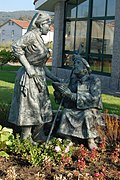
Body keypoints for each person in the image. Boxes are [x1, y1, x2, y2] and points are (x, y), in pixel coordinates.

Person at [8, 11, 61, 144]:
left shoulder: (39, 39)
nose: (49, 28)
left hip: (39, 76)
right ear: (41, 24)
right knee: (30, 105)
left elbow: (42, 66)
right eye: (48, 25)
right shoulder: (31, 35)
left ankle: (38, 134)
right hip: (29, 77)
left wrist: (55, 78)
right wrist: (28, 67)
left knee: (42, 104)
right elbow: (16, 47)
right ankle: (25, 137)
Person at [53, 54, 104, 150]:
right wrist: (60, 94)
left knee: (86, 114)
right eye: (74, 63)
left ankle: (90, 140)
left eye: (78, 63)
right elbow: (66, 100)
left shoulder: (94, 80)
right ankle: (68, 138)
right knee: (66, 112)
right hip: (75, 109)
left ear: (85, 68)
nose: (75, 65)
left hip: (90, 109)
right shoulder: (73, 81)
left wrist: (71, 95)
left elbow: (94, 98)